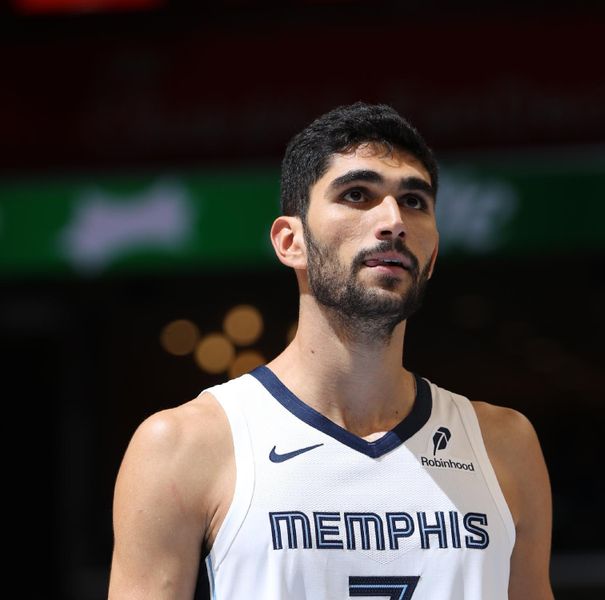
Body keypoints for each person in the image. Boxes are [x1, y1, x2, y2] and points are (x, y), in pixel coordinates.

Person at [108, 102, 554, 600]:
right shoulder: (183, 445)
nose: (393, 220)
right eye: (358, 194)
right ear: (290, 241)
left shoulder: (505, 446)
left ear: (432, 256)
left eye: (414, 201)